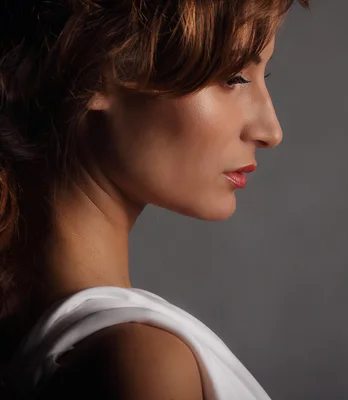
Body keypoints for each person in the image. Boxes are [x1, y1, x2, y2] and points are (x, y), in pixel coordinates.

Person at [0, 0, 310, 398]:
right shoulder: (143, 366)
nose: (270, 130)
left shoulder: (27, 342)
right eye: (234, 76)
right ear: (97, 73)